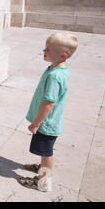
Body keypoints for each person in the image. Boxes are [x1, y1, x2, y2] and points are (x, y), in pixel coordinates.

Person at [18, 32, 78, 192]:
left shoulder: (55, 76)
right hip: (50, 123)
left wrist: (35, 123)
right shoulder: (59, 69)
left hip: (46, 124)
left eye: (48, 49)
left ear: (63, 55)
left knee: (46, 152)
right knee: (45, 151)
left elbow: (49, 103)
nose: (44, 51)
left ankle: (43, 181)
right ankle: (43, 166)